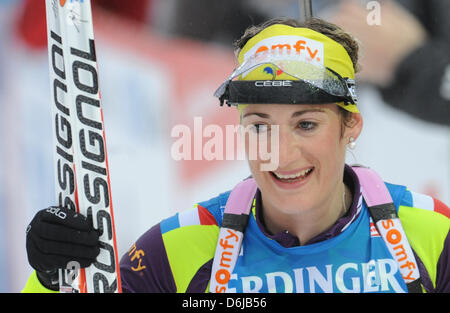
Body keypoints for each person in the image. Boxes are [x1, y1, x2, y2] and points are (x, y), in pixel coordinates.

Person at [23, 17, 449, 293]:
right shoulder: (184, 247)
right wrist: (53, 273)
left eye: (306, 124)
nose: (280, 154)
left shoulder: (431, 235)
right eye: (260, 125)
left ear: (351, 125)